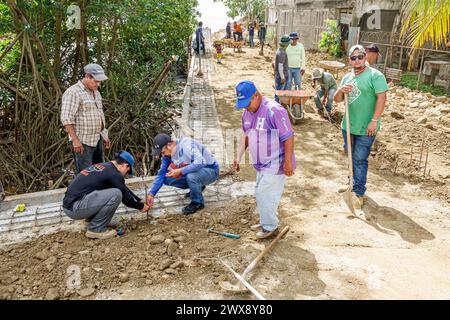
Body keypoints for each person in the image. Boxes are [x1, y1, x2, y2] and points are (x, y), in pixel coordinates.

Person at [233, 80, 296, 239]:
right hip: (261, 163)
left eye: (247, 103)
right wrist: (238, 156)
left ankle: (270, 227)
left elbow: (288, 137)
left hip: (276, 162)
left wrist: (288, 162)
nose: (246, 107)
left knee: (264, 193)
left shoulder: (274, 110)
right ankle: (266, 221)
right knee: (262, 193)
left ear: (256, 95)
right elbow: (245, 135)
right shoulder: (247, 112)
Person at [334, 45, 388, 209]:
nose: (357, 60)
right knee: (350, 155)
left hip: (367, 127)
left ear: (365, 57)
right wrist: (340, 90)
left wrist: (374, 120)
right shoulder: (346, 77)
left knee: (359, 159)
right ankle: (351, 182)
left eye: (360, 56)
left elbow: (382, 98)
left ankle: (358, 192)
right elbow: (337, 100)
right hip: (348, 125)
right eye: (353, 57)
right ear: (349, 60)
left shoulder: (375, 76)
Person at [62, 151, 149, 240]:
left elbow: (124, 188)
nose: (125, 175)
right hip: (75, 208)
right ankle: (96, 229)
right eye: (127, 171)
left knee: (110, 191)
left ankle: (91, 222)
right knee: (116, 194)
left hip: (70, 205)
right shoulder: (114, 174)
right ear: (125, 165)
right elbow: (127, 200)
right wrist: (141, 207)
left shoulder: (106, 167)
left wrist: (138, 199)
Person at [147, 133, 219, 215]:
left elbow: (201, 162)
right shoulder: (167, 155)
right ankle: (197, 187)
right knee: (166, 177)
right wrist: (151, 194)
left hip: (211, 170)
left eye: (163, 152)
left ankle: (197, 202)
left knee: (191, 176)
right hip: (196, 172)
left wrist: (180, 171)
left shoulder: (186, 145)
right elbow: (161, 174)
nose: (163, 155)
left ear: (170, 145)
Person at [61, 63, 111, 174]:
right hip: (82, 142)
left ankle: (98, 191)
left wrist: (105, 136)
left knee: (99, 171)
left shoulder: (96, 93)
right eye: (96, 81)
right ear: (87, 76)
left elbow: (99, 114)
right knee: (85, 174)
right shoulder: (73, 92)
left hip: (97, 139)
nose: (98, 84)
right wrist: (75, 140)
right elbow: (66, 118)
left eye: (99, 81)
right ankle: (84, 192)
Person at [274, 35, 291, 102]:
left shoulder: (279, 50)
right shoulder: (282, 53)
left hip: (279, 75)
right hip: (281, 76)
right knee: (279, 93)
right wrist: (283, 77)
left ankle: (279, 105)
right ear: (286, 44)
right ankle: (276, 105)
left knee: (279, 91)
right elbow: (280, 66)